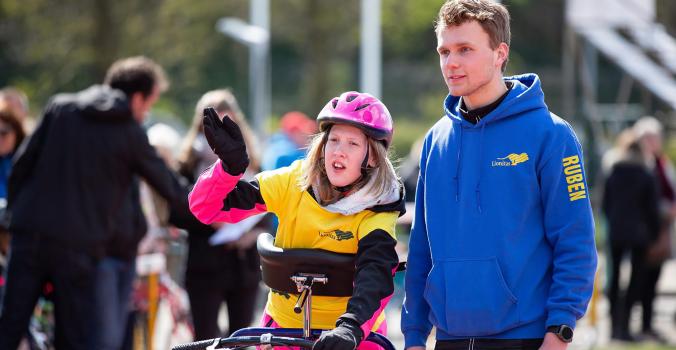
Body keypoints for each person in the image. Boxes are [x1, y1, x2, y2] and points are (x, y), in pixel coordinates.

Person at [400, 1, 597, 349]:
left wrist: (560, 330)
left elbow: (575, 240)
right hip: (449, 338)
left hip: (527, 337)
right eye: (444, 51)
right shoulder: (434, 140)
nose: (451, 62)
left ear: (499, 53)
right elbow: (421, 249)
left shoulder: (551, 135)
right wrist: (414, 335)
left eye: (465, 50)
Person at [189, 91, 405, 350]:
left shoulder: (379, 205)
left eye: (352, 144)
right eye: (333, 139)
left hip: (352, 333)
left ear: (371, 157)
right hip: (284, 329)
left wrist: (350, 327)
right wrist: (228, 170)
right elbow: (204, 209)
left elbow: (376, 274)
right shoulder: (294, 181)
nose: (339, 151)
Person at [0, 56, 185, 350]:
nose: (146, 113)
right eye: (150, 105)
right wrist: (216, 206)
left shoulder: (60, 107)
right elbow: (170, 187)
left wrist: (14, 219)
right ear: (137, 99)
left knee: (9, 328)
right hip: (78, 249)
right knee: (72, 338)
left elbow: (21, 165)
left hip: (29, 237)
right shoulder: (129, 132)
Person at [175, 89, 265, 341]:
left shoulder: (254, 164)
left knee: (241, 338)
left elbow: (269, 212)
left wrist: (253, 234)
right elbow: (178, 211)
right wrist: (211, 216)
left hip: (243, 264)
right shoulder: (186, 165)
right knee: (204, 338)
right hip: (204, 264)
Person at [602, 128, 660, 341]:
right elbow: (652, 208)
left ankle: (613, 326)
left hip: (616, 232)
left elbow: (606, 203)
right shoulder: (645, 173)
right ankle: (625, 327)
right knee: (635, 281)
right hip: (639, 234)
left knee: (615, 279)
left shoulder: (614, 172)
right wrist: (653, 234)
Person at [633, 116, 675, 342]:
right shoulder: (640, 164)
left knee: (653, 280)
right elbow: (645, 200)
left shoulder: (661, 163)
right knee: (640, 280)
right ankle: (637, 326)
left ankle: (647, 324)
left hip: (660, 231)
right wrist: (666, 209)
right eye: (651, 138)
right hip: (645, 232)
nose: (655, 141)